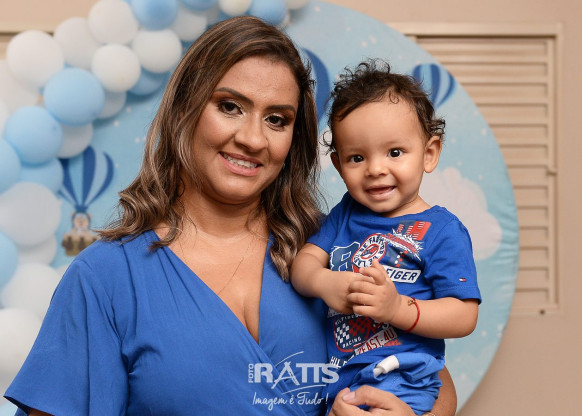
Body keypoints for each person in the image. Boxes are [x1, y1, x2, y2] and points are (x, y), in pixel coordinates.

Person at [5, 18, 457, 416]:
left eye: (277, 119)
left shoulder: (334, 248)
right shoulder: (105, 277)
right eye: (229, 106)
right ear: (184, 110)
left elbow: (430, 375)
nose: (253, 139)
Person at [290, 60, 481, 415]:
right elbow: (303, 264)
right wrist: (323, 281)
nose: (376, 169)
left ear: (428, 154)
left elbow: (464, 316)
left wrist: (397, 309)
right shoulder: (345, 214)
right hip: (341, 381)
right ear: (338, 166)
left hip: (404, 377)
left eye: (394, 152)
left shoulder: (441, 230)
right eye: (357, 157)